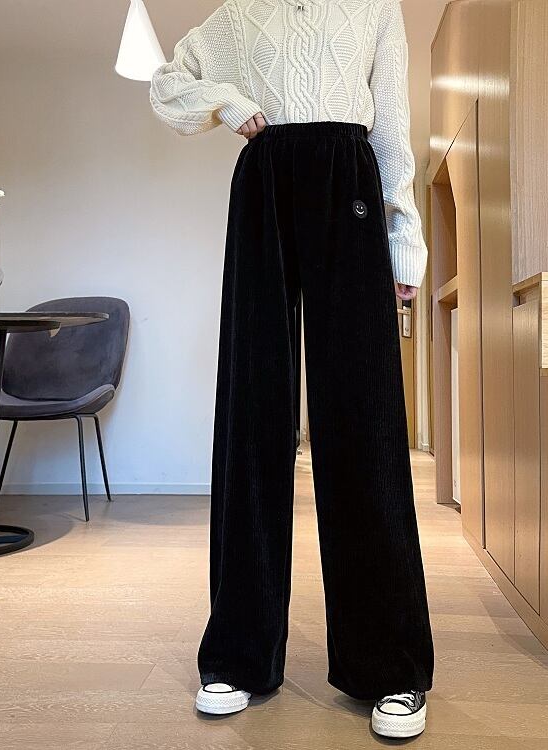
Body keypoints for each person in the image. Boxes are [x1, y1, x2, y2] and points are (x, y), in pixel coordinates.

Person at [150, 0, 434, 739]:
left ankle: (391, 666)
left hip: (350, 178)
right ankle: (238, 655)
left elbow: (393, 121)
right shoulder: (240, 12)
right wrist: (227, 100)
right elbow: (168, 81)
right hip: (264, 183)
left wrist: (405, 236)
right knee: (254, 412)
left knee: (363, 420)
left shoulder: (376, 8)